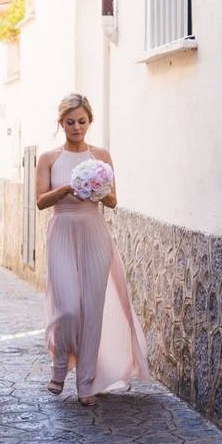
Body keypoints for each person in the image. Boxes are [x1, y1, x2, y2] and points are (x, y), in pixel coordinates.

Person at [35, 93, 149, 406]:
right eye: (70, 122)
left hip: (93, 232)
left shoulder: (100, 156)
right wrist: (67, 189)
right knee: (68, 307)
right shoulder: (48, 158)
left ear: (89, 122)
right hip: (62, 230)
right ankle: (60, 365)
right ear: (61, 123)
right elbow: (40, 201)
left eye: (81, 121)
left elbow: (113, 201)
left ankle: (86, 383)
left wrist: (96, 190)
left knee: (92, 311)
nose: (76, 127)